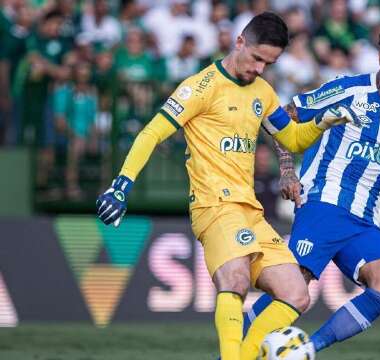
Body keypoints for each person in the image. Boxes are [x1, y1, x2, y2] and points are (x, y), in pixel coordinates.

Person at [95, 12, 354, 360]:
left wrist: (322, 122)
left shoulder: (263, 91)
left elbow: (291, 139)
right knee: (235, 280)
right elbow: (152, 132)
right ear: (239, 42)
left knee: (296, 294)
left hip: (250, 211)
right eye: (257, 58)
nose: (260, 69)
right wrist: (121, 185)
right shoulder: (201, 86)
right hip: (214, 205)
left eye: (269, 63)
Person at [244, 19, 380, 354]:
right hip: (323, 206)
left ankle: (309, 348)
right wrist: (287, 170)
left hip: (362, 222)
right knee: (291, 293)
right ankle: (229, 353)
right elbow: (284, 117)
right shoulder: (347, 91)